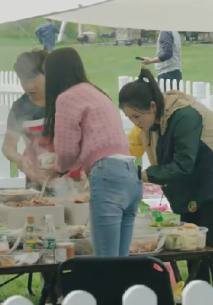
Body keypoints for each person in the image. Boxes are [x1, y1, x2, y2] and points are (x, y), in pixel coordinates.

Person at [119, 69, 213, 305]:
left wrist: (142, 175)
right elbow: (131, 147)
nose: (135, 122)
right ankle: (200, 300)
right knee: (190, 242)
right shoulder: (152, 121)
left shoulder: (185, 116)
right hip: (191, 182)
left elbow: (184, 164)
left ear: (153, 106)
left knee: (211, 241)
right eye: (129, 118)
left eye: (136, 116)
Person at [41, 48, 140, 257]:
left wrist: (58, 168)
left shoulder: (67, 98)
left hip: (107, 175)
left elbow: (67, 149)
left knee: (106, 259)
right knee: (121, 262)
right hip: (130, 174)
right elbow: (97, 144)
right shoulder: (97, 92)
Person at [1, 51, 83, 192]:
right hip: (37, 181)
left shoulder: (65, 100)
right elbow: (8, 146)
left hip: (73, 179)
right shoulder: (20, 107)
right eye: (24, 80)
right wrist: (19, 159)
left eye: (34, 80)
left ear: (48, 75)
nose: (29, 86)